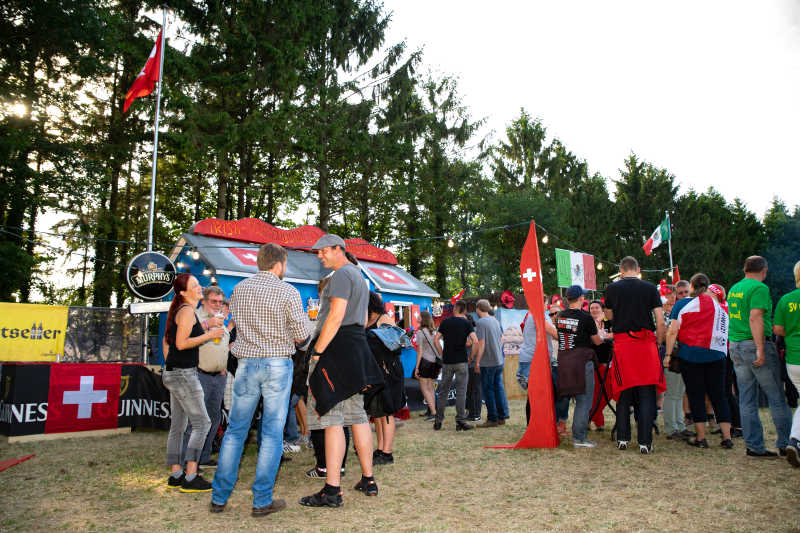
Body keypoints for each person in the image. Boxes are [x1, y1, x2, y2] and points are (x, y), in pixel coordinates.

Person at [210, 243, 310, 517]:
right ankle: (262, 500)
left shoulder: (239, 290)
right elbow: (301, 336)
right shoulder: (288, 291)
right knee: (272, 433)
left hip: (246, 365)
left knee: (235, 431)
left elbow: (235, 327)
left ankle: (219, 497)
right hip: (277, 364)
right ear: (279, 263)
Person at [302, 234, 383, 507]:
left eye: (323, 251)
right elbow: (362, 318)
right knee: (357, 416)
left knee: (333, 419)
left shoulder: (339, 276)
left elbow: (336, 316)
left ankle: (332, 490)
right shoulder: (359, 276)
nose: (319, 256)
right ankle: (368, 479)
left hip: (335, 348)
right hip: (356, 345)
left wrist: (317, 351)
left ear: (339, 249)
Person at [162, 274, 222, 493]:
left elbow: (185, 332)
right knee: (202, 423)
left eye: (199, 284)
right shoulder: (187, 310)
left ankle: (176, 473)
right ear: (183, 292)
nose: (200, 288)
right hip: (184, 375)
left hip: (175, 373)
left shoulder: (185, 310)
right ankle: (191, 475)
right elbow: (181, 343)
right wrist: (210, 335)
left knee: (178, 426)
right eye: (195, 285)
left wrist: (207, 324)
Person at [727, 256, 792, 458]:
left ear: (745, 269)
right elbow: (755, 317)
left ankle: (754, 446)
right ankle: (786, 444)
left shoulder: (735, 288)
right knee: (776, 397)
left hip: (736, 345)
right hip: (754, 344)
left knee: (746, 398)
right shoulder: (759, 288)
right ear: (764, 270)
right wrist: (760, 349)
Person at [664, 274, 734, 449]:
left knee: (696, 395)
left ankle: (701, 438)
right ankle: (727, 437)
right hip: (716, 355)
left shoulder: (682, 304)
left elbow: (672, 331)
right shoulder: (719, 306)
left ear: (692, 287)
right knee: (719, 396)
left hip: (691, 355)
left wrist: (668, 354)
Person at [604, 256, 666, 454]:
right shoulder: (650, 288)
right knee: (647, 393)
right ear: (638, 270)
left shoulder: (612, 288)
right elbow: (660, 320)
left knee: (623, 391)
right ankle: (645, 442)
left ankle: (623, 438)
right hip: (646, 345)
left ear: (621, 271)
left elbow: (608, 315)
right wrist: (659, 342)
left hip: (623, 345)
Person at [180, 285, 229, 469]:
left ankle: (204, 456)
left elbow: (221, 346)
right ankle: (187, 461)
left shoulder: (221, 319)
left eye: (220, 302)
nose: (217, 305)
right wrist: (208, 325)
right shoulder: (196, 316)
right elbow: (184, 336)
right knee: (196, 421)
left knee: (214, 419)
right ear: (204, 301)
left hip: (218, 377)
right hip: (199, 375)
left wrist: (223, 367)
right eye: (213, 301)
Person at [555, 285, 604, 447]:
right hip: (581, 362)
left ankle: (564, 428)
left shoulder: (560, 316)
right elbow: (597, 341)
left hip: (564, 361)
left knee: (567, 397)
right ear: (581, 298)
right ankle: (579, 438)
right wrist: (603, 336)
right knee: (584, 401)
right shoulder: (586, 318)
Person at [365, 291, 401, 465]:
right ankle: (380, 449)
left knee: (386, 412)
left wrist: (384, 363)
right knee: (377, 413)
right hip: (373, 372)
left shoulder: (384, 319)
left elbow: (397, 345)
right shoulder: (367, 320)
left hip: (387, 372)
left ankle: (387, 452)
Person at [433, 300, 478, 431]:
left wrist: (441, 353)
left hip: (447, 361)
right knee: (461, 392)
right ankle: (460, 421)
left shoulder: (445, 322)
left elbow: (436, 340)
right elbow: (475, 341)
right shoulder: (466, 323)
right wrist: (471, 356)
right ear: (464, 310)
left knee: (443, 392)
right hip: (462, 361)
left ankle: (438, 421)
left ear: (455, 309)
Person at [517, 304, 563, 431]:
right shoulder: (537, 315)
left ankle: (534, 427)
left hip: (533, 359)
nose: (546, 307)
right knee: (537, 395)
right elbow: (556, 334)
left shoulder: (533, 314)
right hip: (534, 360)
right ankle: (534, 428)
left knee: (536, 395)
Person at [772, 260, 800, 467]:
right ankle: (795, 440)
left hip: (794, 360)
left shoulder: (786, 299)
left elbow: (778, 329)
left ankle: (795, 441)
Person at [473, 299, 509, 427]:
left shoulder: (481, 322)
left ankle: (492, 419)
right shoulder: (495, 321)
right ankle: (501, 417)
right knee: (498, 389)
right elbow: (501, 340)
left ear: (478, 309)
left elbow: (481, 344)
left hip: (488, 362)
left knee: (488, 391)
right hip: (498, 361)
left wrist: (477, 362)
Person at [588, 300, 613, 432]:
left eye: (596, 307)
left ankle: (593, 417)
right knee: (594, 394)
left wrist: (605, 335)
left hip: (608, 362)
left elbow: (615, 334)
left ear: (602, 309)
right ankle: (596, 421)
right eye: (592, 308)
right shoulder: (588, 323)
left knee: (608, 392)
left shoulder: (609, 322)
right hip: (593, 363)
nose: (594, 310)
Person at [414, 310, 440, 423]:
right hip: (435, 363)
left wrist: (417, 367)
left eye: (419, 315)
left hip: (425, 362)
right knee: (431, 388)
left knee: (425, 389)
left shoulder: (420, 332)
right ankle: (434, 411)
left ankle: (433, 413)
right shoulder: (434, 331)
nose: (417, 316)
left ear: (422, 318)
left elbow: (419, 352)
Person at [465, 313, 482, 422]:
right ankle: (471, 412)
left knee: (474, 389)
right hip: (471, 364)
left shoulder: (472, 332)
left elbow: (469, 343)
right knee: (471, 390)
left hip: (473, 364)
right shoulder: (471, 331)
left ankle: (475, 414)